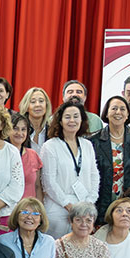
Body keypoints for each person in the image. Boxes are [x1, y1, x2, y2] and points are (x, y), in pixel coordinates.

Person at [41, 101, 99, 236]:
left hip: (84, 206)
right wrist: (69, 206)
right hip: (58, 208)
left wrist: (89, 202)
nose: (72, 120)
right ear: (60, 121)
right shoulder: (50, 146)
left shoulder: (87, 145)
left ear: (82, 119)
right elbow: (49, 182)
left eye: (76, 116)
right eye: (67, 117)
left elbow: (94, 175)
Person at [91, 96, 130, 222]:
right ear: (106, 113)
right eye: (114, 108)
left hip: (128, 200)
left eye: (122, 109)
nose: (118, 112)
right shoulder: (93, 140)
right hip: (102, 200)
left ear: (127, 114)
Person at [9, 111, 43, 199]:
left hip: (29, 210)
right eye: (15, 128)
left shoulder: (33, 155)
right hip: (7, 210)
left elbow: (38, 187)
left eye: (23, 129)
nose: (20, 133)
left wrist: (39, 209)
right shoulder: (1, 154)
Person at [18, 87, 53, 152]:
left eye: (41, 101)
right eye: (33, 102)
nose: (37, 105)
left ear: (46, 105)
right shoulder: (19, 129)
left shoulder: (53, 129)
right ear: (26, 107)